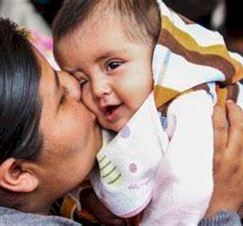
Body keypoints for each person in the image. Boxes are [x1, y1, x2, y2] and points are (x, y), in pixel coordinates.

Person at [0, 19, 240, 226]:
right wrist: (220, 210)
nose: (77, 87)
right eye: (60, 98)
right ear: (19, 173)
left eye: (59, 74)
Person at [52, 0, 243, 225]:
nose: (98, 89)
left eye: (113, 65)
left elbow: (188, 190)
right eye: (82, 80)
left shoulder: (187, 103)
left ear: (157, 55)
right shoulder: (110, 119)